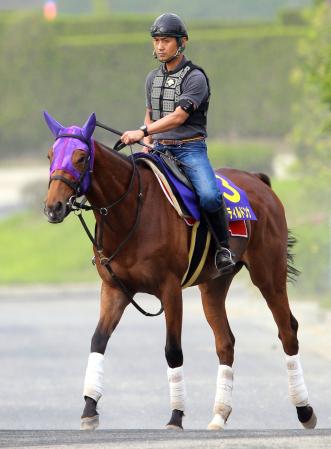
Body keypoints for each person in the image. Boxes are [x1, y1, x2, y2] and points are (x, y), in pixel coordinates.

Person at [121, 13, 235, 274]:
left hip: (189, 149)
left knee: (208, 195)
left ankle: (224, 248)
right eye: (156, 40)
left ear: (182, 42)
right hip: (159, 150)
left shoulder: (195, 78)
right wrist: (146, 142)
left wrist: (142, 131)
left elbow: (178, 117)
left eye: (166, 41)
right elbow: (151, 113)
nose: (160, 46)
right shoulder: (152, 78)